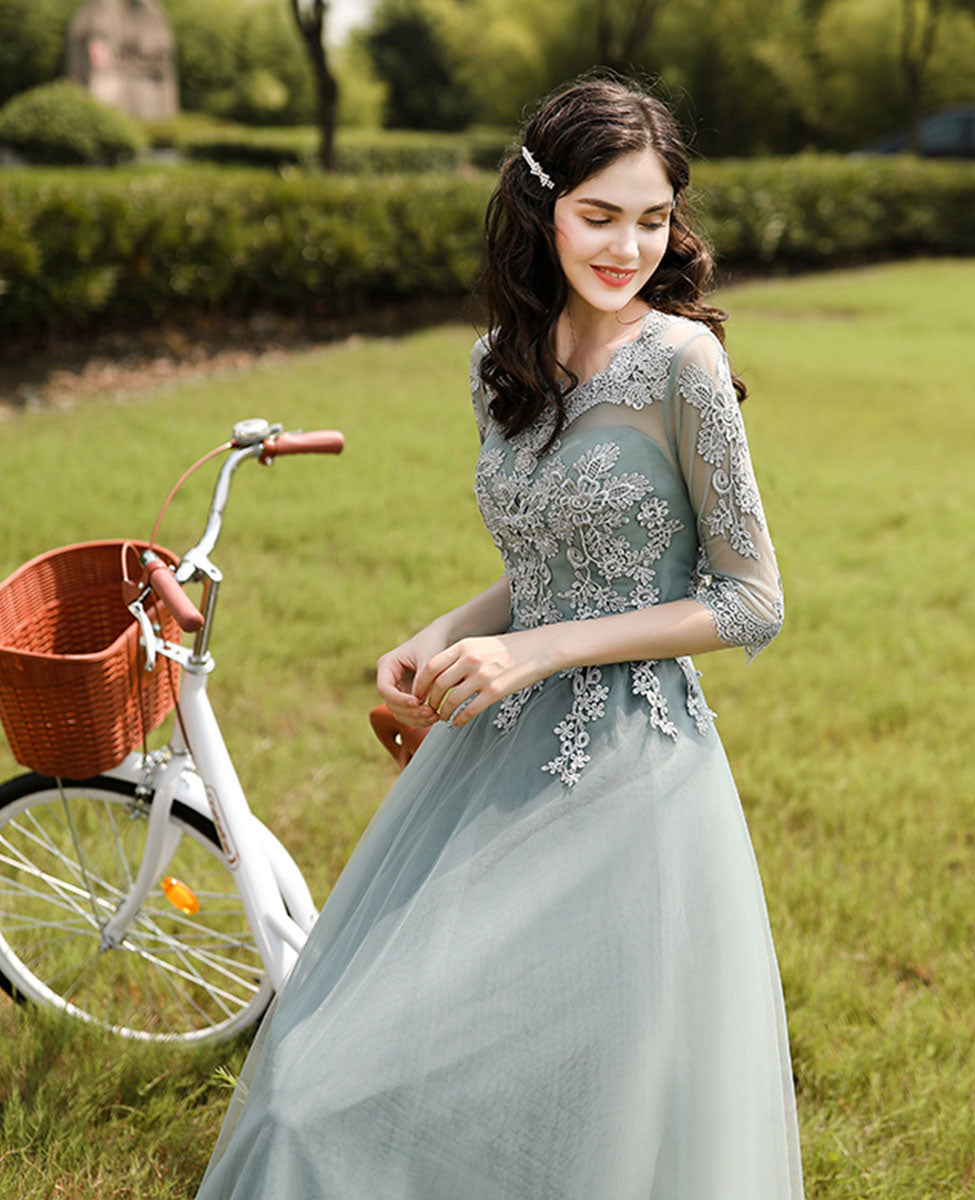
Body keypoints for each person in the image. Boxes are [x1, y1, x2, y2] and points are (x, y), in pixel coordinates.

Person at [195, 77, 804, 1199]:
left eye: (654, 218)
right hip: (491, 749)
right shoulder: (499, 365)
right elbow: (541, 563)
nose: (629, 245)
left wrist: (539, 650)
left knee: (596, 1095)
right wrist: (446, 629)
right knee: (336, 1078)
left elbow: (751, 598)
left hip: (635, 773)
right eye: (599, 214)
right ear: (541, 209)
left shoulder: (681, 363)